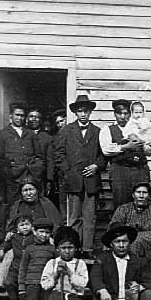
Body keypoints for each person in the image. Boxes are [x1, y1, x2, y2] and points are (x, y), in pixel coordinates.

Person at [55, 95, 105, 257]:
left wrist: (96, 166)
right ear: (76, 112)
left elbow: (104, 154)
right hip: (73, 181)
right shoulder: (66, 131)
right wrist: (68, 172)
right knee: (74, 217)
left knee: (89, 217)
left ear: (90, 112)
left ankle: (87, 249)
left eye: (86, 111)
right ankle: (74, 249)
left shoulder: (98, 132)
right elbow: (58, 155)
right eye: (80, 111)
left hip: (91, 181)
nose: (83, 114)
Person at [100, 99, 151, 209]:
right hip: (120, 170)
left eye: (126, 113)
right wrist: (125, 147)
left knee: (141, 203)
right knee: (121, 203)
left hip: (139, 169)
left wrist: (147, 148)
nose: (123, 117)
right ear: (114, 114)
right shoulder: (108, 129)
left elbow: (148, 146)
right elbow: (106, 149)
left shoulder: (138, 127)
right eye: (119, 113)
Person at [18, 218, 56, 300]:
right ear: (34, 231)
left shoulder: (52, 250)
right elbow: (23, 269)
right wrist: (21, 287)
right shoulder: (29, 249)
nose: (44, 235)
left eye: (47, 232)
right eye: (41, 231)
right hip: (31, 283)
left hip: (46, 285)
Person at [0, 102, 44, 204]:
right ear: (11, 116)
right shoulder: (2, 134)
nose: (19, 118)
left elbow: (39, 156)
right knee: (13, 204)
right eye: (17, 115)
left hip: (30, 176)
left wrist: (36, 169)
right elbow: (0, 158)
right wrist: (9, 173)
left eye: (22, 116)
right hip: (13, 178)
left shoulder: (30, 134)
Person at [109, 182, 151, 257]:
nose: (141, 196)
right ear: (133, 195)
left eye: (144, 193)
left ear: (149, 195)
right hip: (127, 245)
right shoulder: (123, 209)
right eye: (138, 192)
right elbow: (114, 227)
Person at [0, 214, 35, 300]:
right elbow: (5, 244)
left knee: (26, 289)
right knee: (9, 282)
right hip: (16, 266)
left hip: (29, 268)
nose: (25, 227)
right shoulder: (14, 237)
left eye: (27, 224)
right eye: (22, 225)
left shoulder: (34, 237)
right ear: (17, 228)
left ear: (32, 226)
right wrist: (2, 250)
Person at [26, 106, 55, 196]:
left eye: (37, 117)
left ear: (41, 120)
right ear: (27, 118)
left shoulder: (47, 138)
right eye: (31, 116)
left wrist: (49, 179)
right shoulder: (22, 135)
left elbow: (50, 160)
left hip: (40, 177)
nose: (34, 119)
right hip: (23, 175)